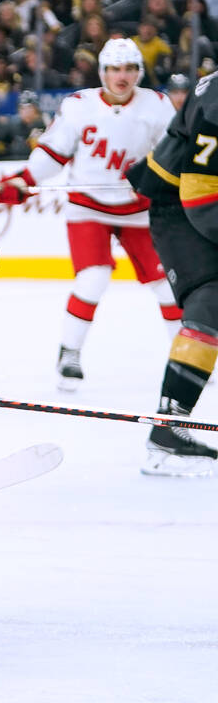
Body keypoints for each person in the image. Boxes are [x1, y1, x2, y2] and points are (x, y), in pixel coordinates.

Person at [0, 38, 179, 391]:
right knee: (93, 278)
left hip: (139, 209)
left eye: (128, 69)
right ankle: (70, 353)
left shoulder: (157, 106)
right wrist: (25, 179)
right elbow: (54, 152)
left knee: (166, 285)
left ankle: (187, 357)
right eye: (113, 69)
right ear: (102, 72)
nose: (121, 77)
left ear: (139, 72)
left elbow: (174, 155)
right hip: (87, 205)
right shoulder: (79, 106)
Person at [126, 75, 218, 476]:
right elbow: (201, 196)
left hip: (194, 192)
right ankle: (169, 428)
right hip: (181, 205)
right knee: (211, 299)